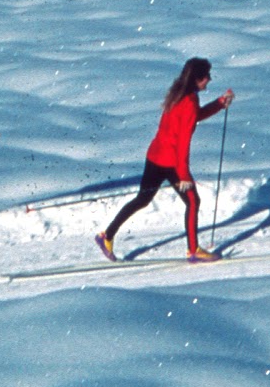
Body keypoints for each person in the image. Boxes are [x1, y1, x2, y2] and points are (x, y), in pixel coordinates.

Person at [96, 57, 233, 263]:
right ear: (197, 79)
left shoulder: (179, 93)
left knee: (142, 200)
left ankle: (107, 236)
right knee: (193, 201)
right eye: (207, 77)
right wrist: (184, 175)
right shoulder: (189, 101)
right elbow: (183, 140)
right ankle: (193, 250)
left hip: (155, 156)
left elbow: (193, 117)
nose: (209, 80)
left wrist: (220, 103)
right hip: (172, 162)